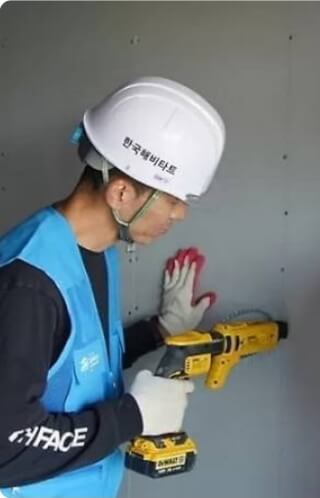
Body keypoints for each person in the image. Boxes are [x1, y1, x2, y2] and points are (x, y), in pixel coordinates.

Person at [0, 76, 225, 497]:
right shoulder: (28, 286)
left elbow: (72, 367)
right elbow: (6, 448)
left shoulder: (96, 252)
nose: (180, 214)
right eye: (173, 200)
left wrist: (159, 331)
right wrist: (130, 418)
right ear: (121, 193)